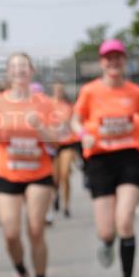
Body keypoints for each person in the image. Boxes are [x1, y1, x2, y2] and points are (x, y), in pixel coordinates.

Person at [72, 39, 139, 277]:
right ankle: (106, 243)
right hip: (100, 161)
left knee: (125, 220)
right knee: (106, 231)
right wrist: (83, 135)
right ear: (102, 62)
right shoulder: (90, 91)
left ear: (124, 61)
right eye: (108, 58)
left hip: (129, 158)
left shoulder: (136, 92)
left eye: (118, 57)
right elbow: (76, 118)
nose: (113, 62)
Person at [0, 53, 64, 277]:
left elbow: (56, 141)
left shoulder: (44, 102)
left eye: (24, 66)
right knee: (10, 232)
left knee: (35, 230)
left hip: (38, 173)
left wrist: (40, 127)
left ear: (32, 71)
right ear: (8, 73)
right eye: (14, 67)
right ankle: (21, 272)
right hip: (7, 172)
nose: (19, 70)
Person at [50, 81, 80, 218]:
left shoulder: (69, 106)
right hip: (52, 145)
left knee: (65, 174)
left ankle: (66, 205)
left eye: (60, 89)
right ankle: (56, 195)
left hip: (67, 144)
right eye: (56, 90)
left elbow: (75, 124)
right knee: (55, 178)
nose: (58, 92)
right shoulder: (47, 105)